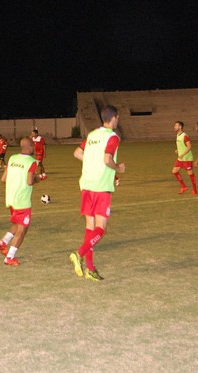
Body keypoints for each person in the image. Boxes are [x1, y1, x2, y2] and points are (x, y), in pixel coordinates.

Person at [69, 105, 125, 281]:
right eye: (118, 118)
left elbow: (77, 153)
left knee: (90, 228)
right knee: (101, 229)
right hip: (101, 186)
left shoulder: (92, 135)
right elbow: (108, 159)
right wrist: (118, 168)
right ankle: (79, 253)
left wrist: (93, 162)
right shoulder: (113, 137)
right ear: (114, 118)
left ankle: (90, 269)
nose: (118, 121)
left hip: (86, 184)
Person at [0, 137, 39, 266]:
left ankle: (3, 241)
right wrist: (37, 179)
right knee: (22, 229)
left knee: (18, 223)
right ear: (30, 146)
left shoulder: (12, 158)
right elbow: (30, 181)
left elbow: (3, 179)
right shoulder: (32, 161)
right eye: (33, 146)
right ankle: (9, 257)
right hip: (22, 200)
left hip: (11, 198)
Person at [171, 121, 197, 195]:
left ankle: (195, 189)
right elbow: (182, 145)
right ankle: (183, 187)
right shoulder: (178, 135)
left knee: (190, 174)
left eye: (176, 125)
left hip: (187, 158)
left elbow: (189, 147)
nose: (174, 127)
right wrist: (178, 150)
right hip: (180, 159)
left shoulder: (184, 136)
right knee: (174, 171)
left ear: (180, 127)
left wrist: (182, 154)